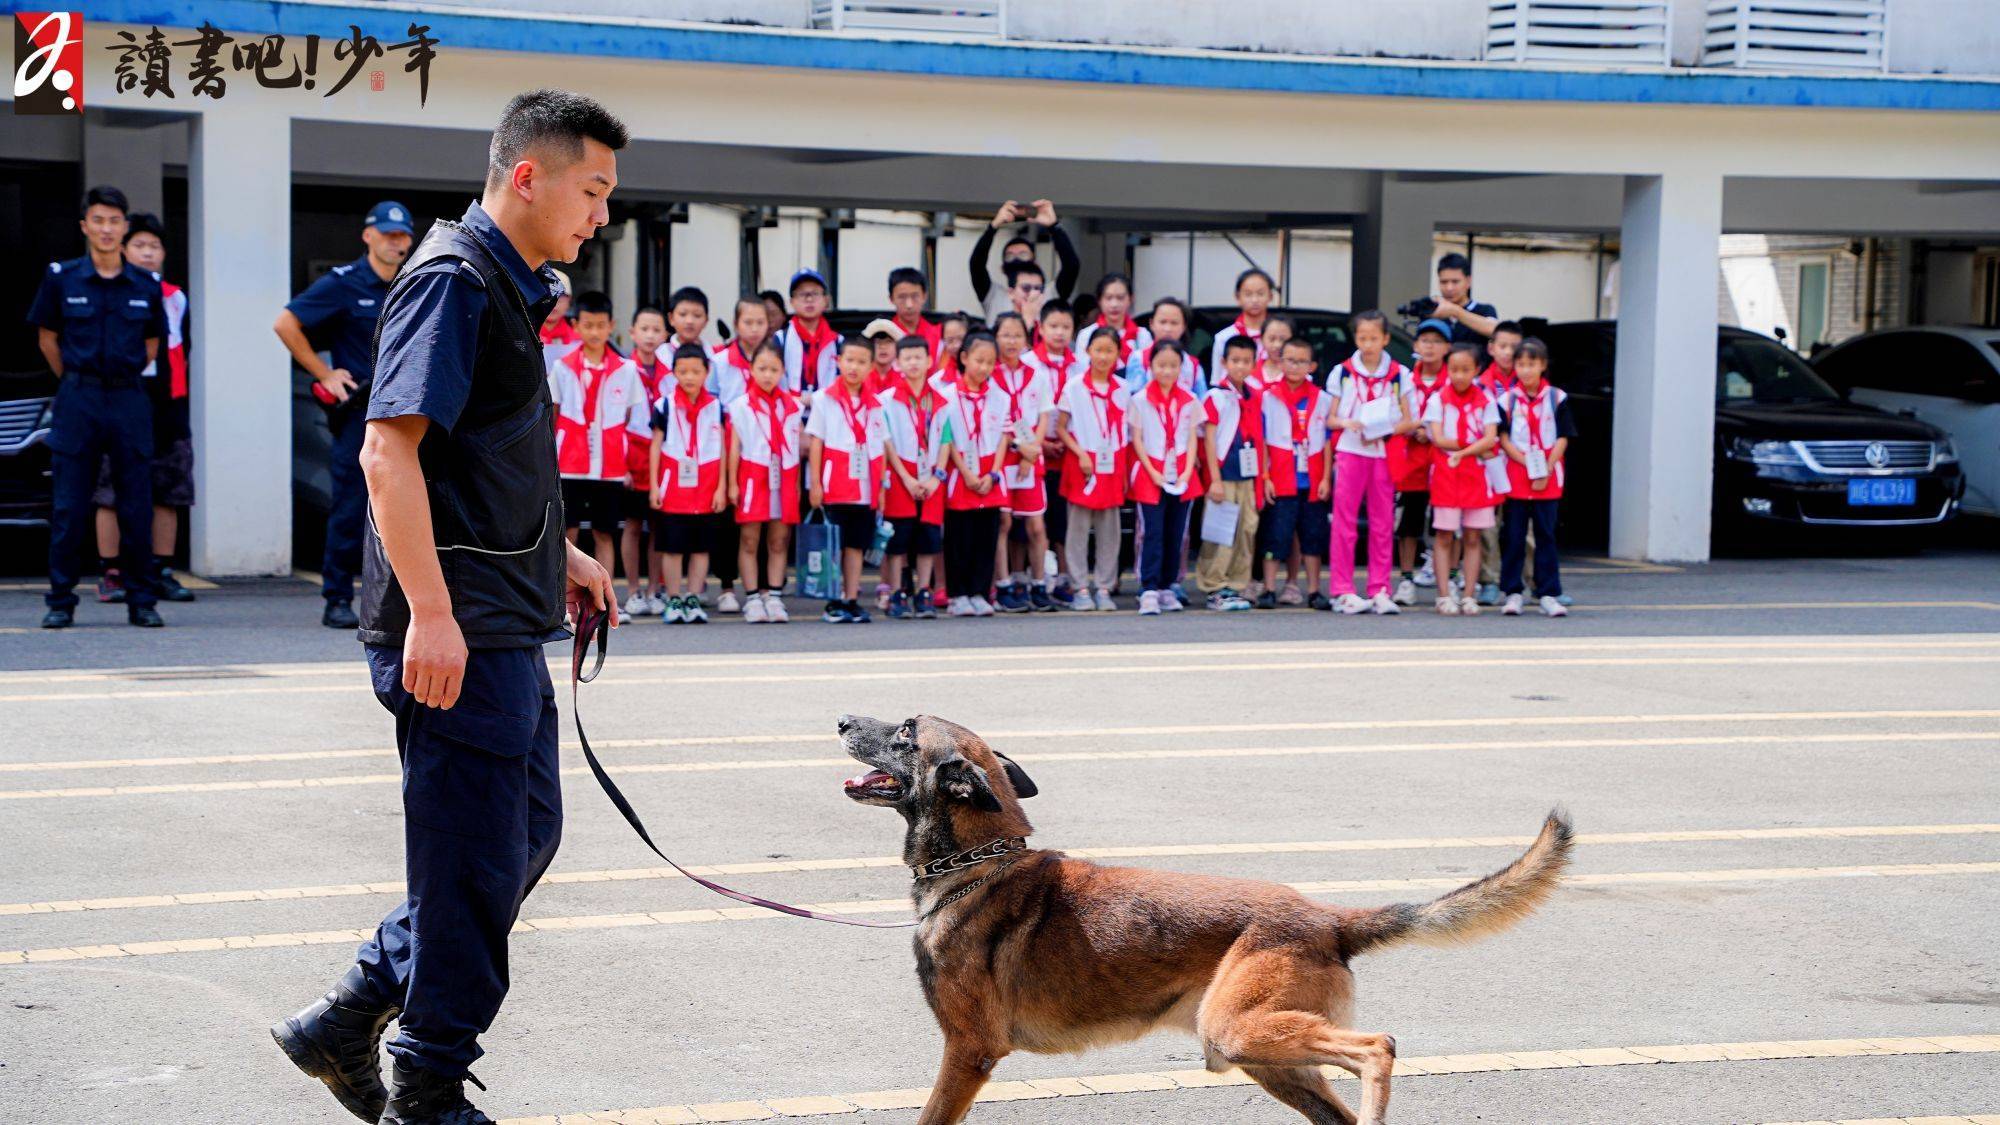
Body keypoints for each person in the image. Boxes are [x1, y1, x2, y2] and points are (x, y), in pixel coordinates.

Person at [271, 88, 625, 1125]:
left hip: (499, 614)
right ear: (527, 176)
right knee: (473, 860)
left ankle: (351, 1012)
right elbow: (391, 451)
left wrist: (557, 552)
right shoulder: (452, 281)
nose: (599, 215)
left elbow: (479, 459)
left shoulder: (507, 286)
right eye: (592, 191)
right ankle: (425, 1080)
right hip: (457, 630)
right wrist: (429, 612)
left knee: (519, 839)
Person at [30, 185, 168, 629]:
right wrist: (77, 380)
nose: (107, 229)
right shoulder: (62, 277)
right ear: (85, 226)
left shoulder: (145, 285)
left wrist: (116, 379)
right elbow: (47, 339)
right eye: (99, 220)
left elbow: (151, 345)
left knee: (136, 505)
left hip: (128, 398)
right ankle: (60, 600)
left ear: (124, 229)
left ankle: (142, 600)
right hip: (78, 398)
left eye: (115, 221)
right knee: (69, 506)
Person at [275, 199, 413, 628]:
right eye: (388, 236)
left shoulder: (414, 281)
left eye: (403, 236)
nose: (396, 244)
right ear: (368, 235)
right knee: (352, 504)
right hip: (360, 413)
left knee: (409, 506)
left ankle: (402, 599)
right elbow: (286, 323)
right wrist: (324, 372)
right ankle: (337, 597)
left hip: (407, 412)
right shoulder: (344, 282)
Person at [93, 211, 195, 605]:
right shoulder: (107, 291)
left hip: (167, 403)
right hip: (119, 398)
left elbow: (183, 351)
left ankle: (160, 570)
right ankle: (112, 571)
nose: (148, 253)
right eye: (140, 245)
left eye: (155, 246)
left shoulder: (175, 296)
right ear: (122, 248)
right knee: (110, 490)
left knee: (169, 490)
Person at [549, 290, 644, 581]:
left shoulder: (626, 370)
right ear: (576, 325)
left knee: (605, 532)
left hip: (610, 465)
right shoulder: (563, 367)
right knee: (569, 531)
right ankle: (563, 599)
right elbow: (555, 412)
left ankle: (606, 593)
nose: (594, 332)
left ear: (611, 326)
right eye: (588, 325)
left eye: (600, 325)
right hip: (571, 462)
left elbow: (629, 414)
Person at [1326, 310, 1415, 615]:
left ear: (1386, 339)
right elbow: (1330, 417)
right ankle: (1342, 589)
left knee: (1382, 523)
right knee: (1344, 522)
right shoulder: (1342, 372)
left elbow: (1409, 419)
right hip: (1351, 451)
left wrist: (1383, 429)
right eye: (1362, 338)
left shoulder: (1400, 375)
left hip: (1382, 453)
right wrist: (1348, 423)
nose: (1368, 344)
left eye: (1374, 338)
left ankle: (1380, 588)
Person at [807, 337, 887, 623]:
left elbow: (879, 448)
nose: (854, 367)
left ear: (870, 367)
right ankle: (834, 599)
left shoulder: (875, 403)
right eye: (849, 360)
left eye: (861, 362)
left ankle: (852, 597)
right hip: (835, 484)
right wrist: (815, 483)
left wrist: (880, 489)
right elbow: (817, 442)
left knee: (856, 546)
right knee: (834, 546)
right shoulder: (823, 398)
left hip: (864, 486)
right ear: (838, 362)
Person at [647, 343, 726, 624]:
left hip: (706, 487)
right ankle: (674, 597)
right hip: (673, 488)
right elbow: (655, 446)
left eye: (696, 371)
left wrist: (722, 487)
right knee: (672, 547)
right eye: (683, 371)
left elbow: (724, 448)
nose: (690, 377)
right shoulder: (664, 405)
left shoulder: (716, 406)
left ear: (706, 372)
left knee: (701, 547)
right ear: (674, 373)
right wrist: (655, 485)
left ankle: (693, 597)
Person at [1423, 342, 1502, 616]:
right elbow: (1438, 437)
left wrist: (1463, 452)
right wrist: (1472, 446)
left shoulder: (1486, 401)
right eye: (1454, 369)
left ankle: (1469, 594)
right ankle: (1444, 594)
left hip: (1477, 476)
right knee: (1444, 536)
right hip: (1446, 475)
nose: (1459, 376)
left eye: (1465, 370)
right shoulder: (1437, 400)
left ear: (1476, 370)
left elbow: (1491, 438)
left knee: (1472, 537)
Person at [727, 340, 802, 624]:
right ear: (751, 370)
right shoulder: (741, 406)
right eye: (762, 368)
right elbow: (734, 447)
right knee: (749, 539)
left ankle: (774, 595)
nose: (768, 374)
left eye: (774, 369)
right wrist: (732, 483)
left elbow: (795, 445)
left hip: (784, 475)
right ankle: (753, 597)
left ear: (783, 370)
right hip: (752, 474)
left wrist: (796, 484)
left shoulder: (792, 406)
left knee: (779, 540)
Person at [1496, 337, 1572, 617]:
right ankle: (1513, 592)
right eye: (1521, 364)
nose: (1526, 370)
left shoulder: (1557, 397)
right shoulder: (1507, 400)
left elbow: (1564, 436)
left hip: (1548, 476)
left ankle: (1549, 592)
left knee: (1546, 536)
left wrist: (1547, 467)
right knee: (1514, 536)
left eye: (1532, 364)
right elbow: (1503, 438)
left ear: (1542, 365)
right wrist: (1526, 463)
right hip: (1517, 473)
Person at [1056, 327, 1130, 611]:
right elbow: (1061, 428)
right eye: (1098, 350)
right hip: (1082, 464)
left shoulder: (1122, 389)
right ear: (1087, 352)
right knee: (1077, 529)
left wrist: (1122, 472)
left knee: (1109, 531)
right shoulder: (1074, 387)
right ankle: (1080, 587)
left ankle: (1103, 586)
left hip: (1111, 464)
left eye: (1109, 351)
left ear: (1117, 355)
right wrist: (1080, 454)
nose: (1103, 356)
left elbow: (1124, 432)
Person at [1128, 339, 1204, 615]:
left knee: (1176, 533)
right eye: (1161, 365)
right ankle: (1148, 587)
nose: (1167, 371)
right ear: (1151, 366)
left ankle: (1167, 585)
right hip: (1152, 471)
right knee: (1153, 532)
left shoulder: (1190, 400)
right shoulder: (1139, 400)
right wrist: (1152, 471)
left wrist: (1187, 470)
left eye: (1173, 366)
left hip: (1181, 471)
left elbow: (1193, 438)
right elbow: (1137, 440)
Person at [1256, 336, 1332, 610]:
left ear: (1311, 365)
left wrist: (1325, 477)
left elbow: (1326, 441)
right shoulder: (1268, 397)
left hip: (1311, 479)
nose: (1295, 366)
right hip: (1280, 476)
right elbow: (1263, 440)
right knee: (1276, 534)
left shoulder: (1322, 399)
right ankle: (1268, 588)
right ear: (1280, 361)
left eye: (1302, 361)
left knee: (1313, 536)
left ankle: (1313, 590)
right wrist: (1264, 478)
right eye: (1290, 360)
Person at [938, 332, 1011, 617]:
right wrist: (967, 473)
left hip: (990, 474)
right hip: (961, 475)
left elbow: (1005, 436)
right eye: (979, 360)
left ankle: (980, 591)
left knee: (986, 535)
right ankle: (958, 594)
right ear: (964, 358)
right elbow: (948, 439)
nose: (984, 368)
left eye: (991, 363)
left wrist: (993, 473)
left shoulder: (1000, 397)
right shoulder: (947, 397)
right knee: (959, 536)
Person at [990, 311, 1056, 612]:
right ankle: (1003, 585)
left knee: (1036, 525)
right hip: (1003, 457)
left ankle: (1039, 583)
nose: (1012, 341)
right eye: (1006, 334)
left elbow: (1044, 415)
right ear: (996, 338)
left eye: (1017, 335)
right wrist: (1019, 445)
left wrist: (1033, 448)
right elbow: (994, 422)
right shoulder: (990, 374)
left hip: (1031, 458)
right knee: (1002, 522)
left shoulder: (1037, 375)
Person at [877, 334, 946, 620]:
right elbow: (887, 441)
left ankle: (925, 591)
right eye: (907, 358)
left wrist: (936, 477)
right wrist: (905, 477)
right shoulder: (887, 400)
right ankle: (897, 592)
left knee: (929, 536)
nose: (914, 363)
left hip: (930, 475)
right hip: (901, 475)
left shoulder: (941, 400)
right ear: (898, 363)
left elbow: (947, 440)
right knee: (898, 538)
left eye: (919, 357)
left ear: (930, 361)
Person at [1195, 335, 1264, 612]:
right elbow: (1209, 440)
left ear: (1254, 364)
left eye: (1246, 361)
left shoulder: (1253, 395)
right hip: (1224, 473)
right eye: (1235, 361)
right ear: (1224, 362)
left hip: (1247, 474)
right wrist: (1214, 479)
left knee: (1246, 529)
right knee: (1221, 531)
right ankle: (1214, 584)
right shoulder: (1215, 397)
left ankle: (1237, 583)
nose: (1240, 366)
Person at [1390, 319, 1452, 605]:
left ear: (1447, 348)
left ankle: (1449, 577)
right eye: (1425, 340)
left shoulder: (1454, 380)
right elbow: (1391, 415)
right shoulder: (1403, 379)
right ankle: (1406, 579)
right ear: (1415, 345)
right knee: (1409, 525)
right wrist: (1413, 427)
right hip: (1412, 461)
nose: (1430, 346)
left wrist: (1435, 432)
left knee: (1447, 523)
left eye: (1437, 341)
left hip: (1444, 461)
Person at [1024, 298, 1082, 599]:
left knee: (1063, 520)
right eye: (1053, 326)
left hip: (1069, 453)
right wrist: (1041, 443)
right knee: (1036, 521)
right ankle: (1038, 577)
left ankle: (1063, 577)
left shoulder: (1079, 364)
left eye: (1065, 327)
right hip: (1036, 452)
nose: (1059, 333)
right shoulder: (1029, 364)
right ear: (1040, 328)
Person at [619, 304, 670, 617]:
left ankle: (654, 589)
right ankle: (634, 590)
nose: (651, 336)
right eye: (645, 330)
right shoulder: (624, 370)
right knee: (633, 526)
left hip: (661, 457)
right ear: (633, 333)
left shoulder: (670, 374)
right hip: (632, 454)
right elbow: (619, 419)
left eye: (657, 330)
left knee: (659, 526)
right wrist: (621, 464)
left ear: (665, 335)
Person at [1471, 320, 1524, 604]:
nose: (1507, 353)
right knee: (1488, 526)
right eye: (1502, 346)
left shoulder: (1530, 383)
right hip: (1489, 461)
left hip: (1520, 462)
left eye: (1514, 348)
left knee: (1524, 527)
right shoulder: (1479, 384)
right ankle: (1489, 580)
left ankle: (1533, 580)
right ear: (1491, 348)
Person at [969, 199, 1080, 320]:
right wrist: (993, 227)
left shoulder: (1049, 294)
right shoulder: (993, 295)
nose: (1017, 259)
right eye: (1010, 256)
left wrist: (1054, 227)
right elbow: (976, 265)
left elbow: (1071, 266)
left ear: (1035, 262)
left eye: (1023, 254)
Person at [777, 268, 839, 396]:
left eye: (815, 293)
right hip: (788, 412)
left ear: (826, 300)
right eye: (802, 294)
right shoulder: (779, 340)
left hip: (826, 412)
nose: (809, 299)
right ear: (792, 302)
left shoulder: (838, 341)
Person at [1129, 297, 1205, 396]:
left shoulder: (1193, 365)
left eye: (1174, 323)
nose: (1168, 329)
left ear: (1184, 326)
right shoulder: (1138, 358)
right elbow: (1133, 399)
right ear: (1152, 324)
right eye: (1163, 322)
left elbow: (1201, 403)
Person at [1076, 272, 1152, 371]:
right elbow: (1082, 371)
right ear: (1099, 300)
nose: (1114, 304)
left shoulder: (1142, 335)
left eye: (1120, 298)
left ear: (1130, 299)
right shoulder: (1086, 335)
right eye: (1108, 298)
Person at [1210, 267, 1274, 376]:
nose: (1255, 300)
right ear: (1238, 297)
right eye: (1248, 294)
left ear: (1270, 296)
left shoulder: (1279, 336)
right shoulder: (1224, 337)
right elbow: (1218, 379)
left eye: (1260, 293)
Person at [708, 296, 769, 408]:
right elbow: (711, 400)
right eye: (748, 323)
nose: (755, 329)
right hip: (729, 423)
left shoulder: (774, 360)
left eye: (760, 323)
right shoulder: (719, 361)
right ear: (736, 324)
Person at [1432, 251, 1499, 345]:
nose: (1449, 288)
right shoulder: (1433, 312)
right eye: (1444, 282)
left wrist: (1455, 311)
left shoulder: (1485, 310)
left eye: (1455, 282)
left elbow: (1496, 331)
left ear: (1468, 281)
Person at [887, 266, 942, 358]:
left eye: (915, 296)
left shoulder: (939, 335)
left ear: (924, 296)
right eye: (902, 297)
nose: (909, 305)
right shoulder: (883, 337)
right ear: (891, 299)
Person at [537, 268, 580, 367]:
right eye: (547, 298)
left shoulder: (578, 338)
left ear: (569, 301)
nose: (554, 306)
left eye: (559, 300)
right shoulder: (523, 333)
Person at [1004, 258, 1051, 328]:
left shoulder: (1051, 326)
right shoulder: (1001, 323)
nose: (1033, 293)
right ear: (1011, 293)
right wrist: (1028, 318)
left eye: (1038, 288)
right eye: (1026, 288)